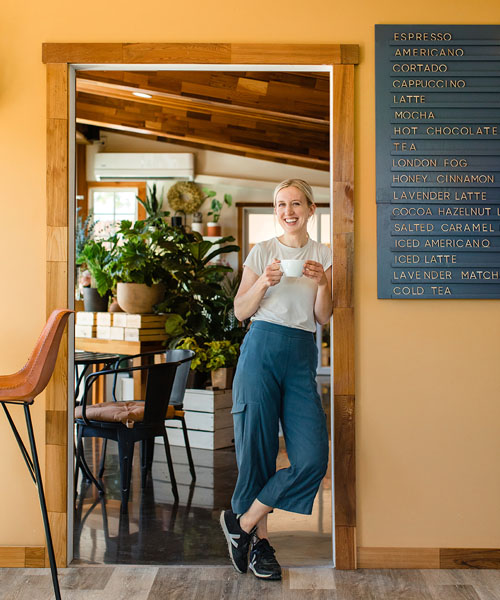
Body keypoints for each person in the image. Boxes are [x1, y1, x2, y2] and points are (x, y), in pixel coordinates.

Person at [220, 178, 332, 581]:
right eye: (281, 204)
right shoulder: (262, 252)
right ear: (275, 211)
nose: (288, 210)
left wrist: (321, 282)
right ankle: (261, 548)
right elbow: (239, 311)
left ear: (310, 209)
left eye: (296, 203)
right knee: (257, 452)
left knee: (313, 457)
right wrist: (264, 282)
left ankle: (243, 522)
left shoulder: (323, 254)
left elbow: (322, 316)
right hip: (261, 351)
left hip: (301, 355)